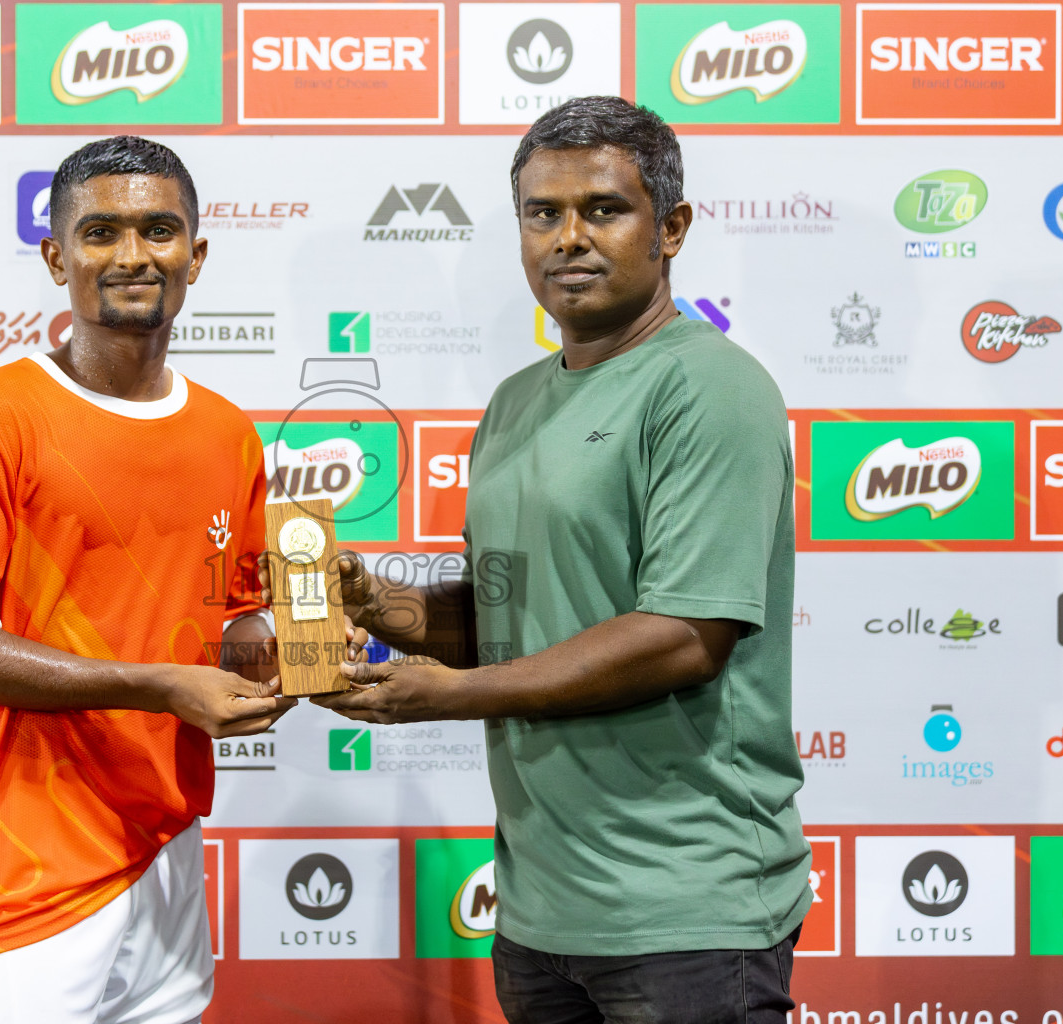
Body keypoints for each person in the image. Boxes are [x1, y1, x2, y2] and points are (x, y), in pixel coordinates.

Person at [308, 97, 811, 1023]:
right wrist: (384, 607)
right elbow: (513, 616)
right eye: (542, 214)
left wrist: (447, 697)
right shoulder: (515, 401)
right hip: (542, 908)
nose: (568, 238)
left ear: (672, 228)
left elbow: (682, 637)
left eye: (603, 210)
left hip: (685, 909)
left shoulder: (711, 386)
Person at [0, 136, 353, 1024]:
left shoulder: (228, 433)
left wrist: (310, 648)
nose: (133, 255)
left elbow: (233, 628)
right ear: (56, 256)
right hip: (30, 859)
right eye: (101, 231)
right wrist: (160, 688)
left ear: (196, 255)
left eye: (158, 230)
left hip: (167, 839)